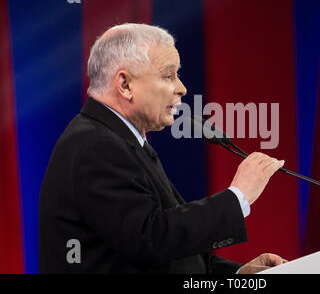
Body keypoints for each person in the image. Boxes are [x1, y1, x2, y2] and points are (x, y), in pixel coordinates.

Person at [39, 23, 287, 273]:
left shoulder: (120, 140)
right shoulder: (96, 146)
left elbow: (170, 256)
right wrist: (238, 195)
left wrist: (238, 274)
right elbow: (151, 240)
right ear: (125, 85)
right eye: (168, 76)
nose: (182, 88)